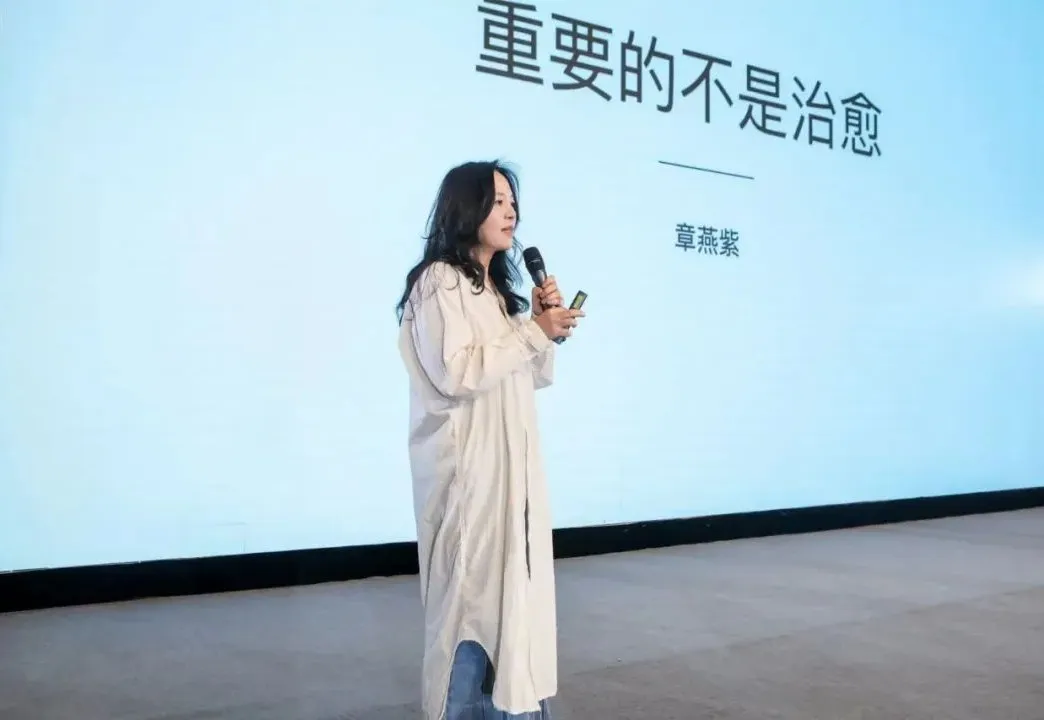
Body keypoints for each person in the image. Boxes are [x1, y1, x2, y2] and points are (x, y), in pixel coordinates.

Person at [396, 160, 583, 719]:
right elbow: (456, 373)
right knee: (470, 613)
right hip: (470, 487)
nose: (510, 212)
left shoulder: (496, 293)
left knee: (512, 614)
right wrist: (531, 333)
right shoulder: (439, 282)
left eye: (512, 202)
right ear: (466, 207)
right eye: (498, 201)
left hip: (509, 484)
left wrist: (542, 327)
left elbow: (529, 376)